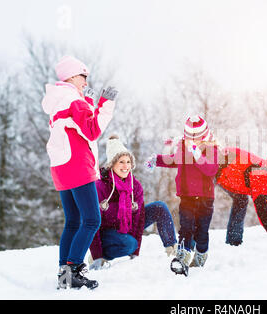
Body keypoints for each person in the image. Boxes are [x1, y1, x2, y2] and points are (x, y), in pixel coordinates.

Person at [42, 55, 118, 289]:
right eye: (84, 77)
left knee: (73, 222)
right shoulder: (73, 100)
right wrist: (105, 104)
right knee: (92, 220)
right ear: (73, 77)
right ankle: (74, 269)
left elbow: (78, 127)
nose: (86, 82)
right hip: (77, 165)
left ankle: (64, 277)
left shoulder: (58, 99)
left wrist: (87, 102)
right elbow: (93, 130)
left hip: (61, 168)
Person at [88, 135, 178, 270]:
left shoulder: (134, 185)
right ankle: (106, 254)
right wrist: (97, 256)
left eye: (128, 162)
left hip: (128, 225)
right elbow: (92, 223)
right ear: (112, 164)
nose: (126, 166)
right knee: (129, 244)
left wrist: (135, 253)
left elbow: (139, 218)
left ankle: (172, 248)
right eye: (121, 162)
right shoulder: (100, 186)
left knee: (159, 207)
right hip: (107, 232)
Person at [145, 115, 219, 276]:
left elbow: (211, 170)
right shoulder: (183, 146)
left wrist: (197, 153)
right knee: (186, 227)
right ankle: (182, 257)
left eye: (198, 138)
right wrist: (157, 159)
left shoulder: (211, 148)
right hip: (187, 195)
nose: (194, 142)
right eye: (191, 138)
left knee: (201, 231)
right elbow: (175, 160)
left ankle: (200, 256)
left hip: (205, 197)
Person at [216, 147, 267, 246]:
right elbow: (261, 204)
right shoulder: (263, 174)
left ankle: (233, 241)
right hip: (219, 164)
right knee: (201, 200)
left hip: (227, 172)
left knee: (241, 199)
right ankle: (232, 241)